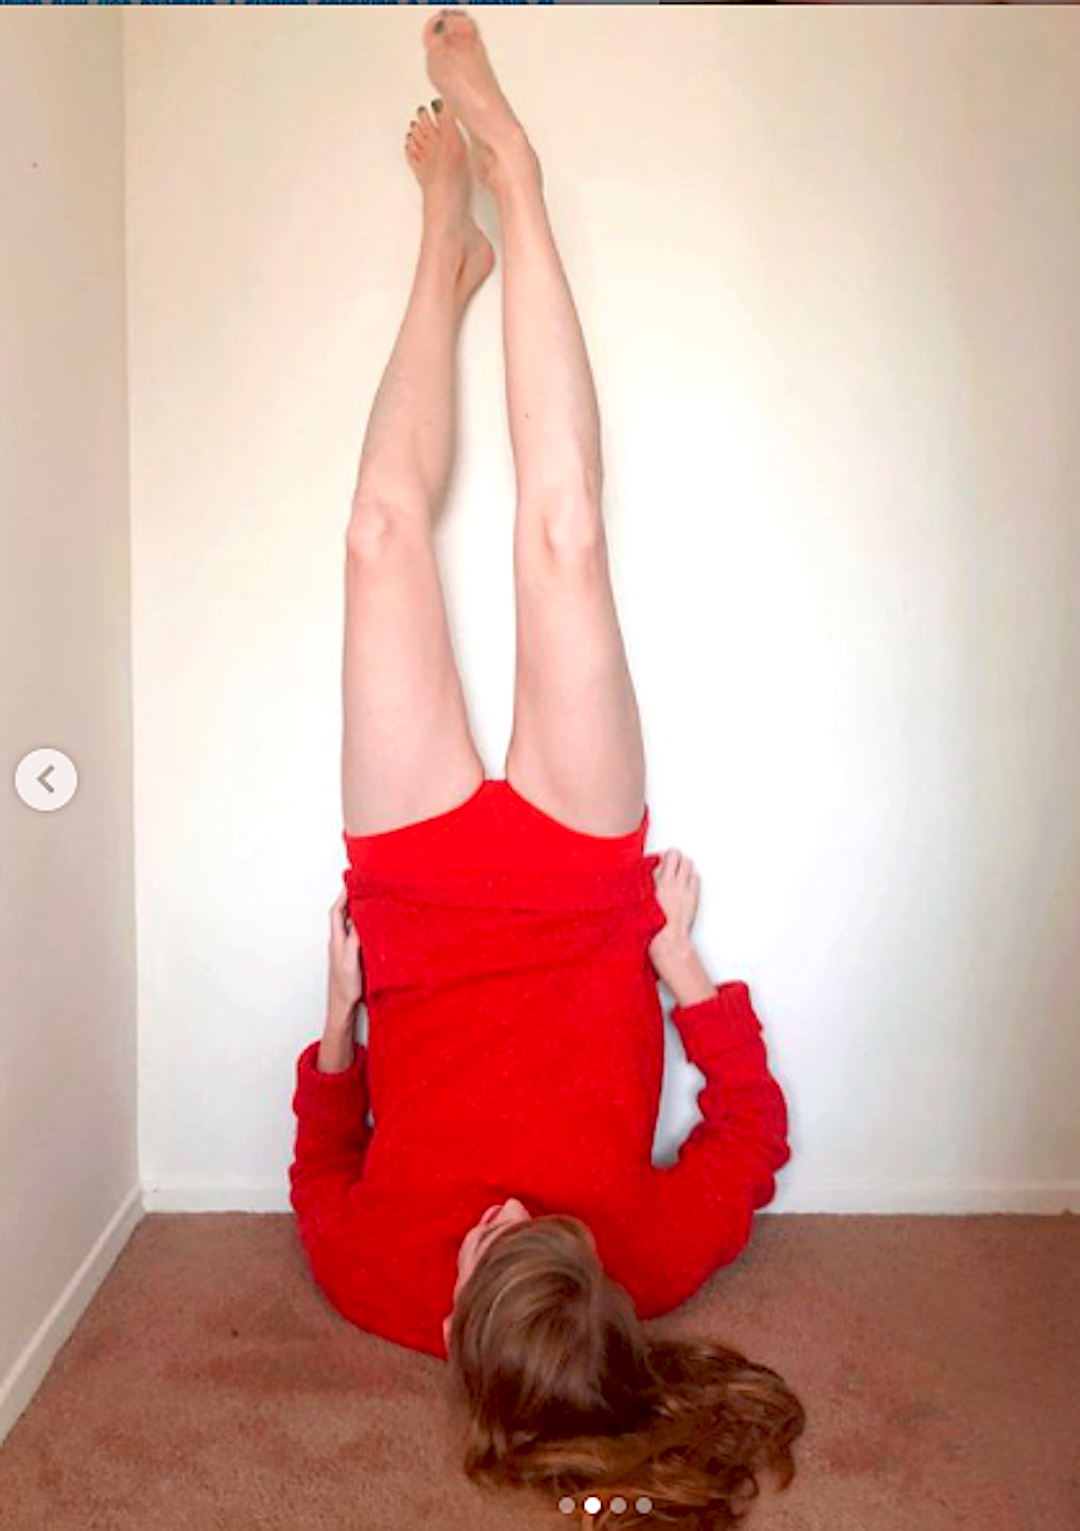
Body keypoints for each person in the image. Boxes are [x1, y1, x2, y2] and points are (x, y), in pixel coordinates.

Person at [289, 11, 805, 1525]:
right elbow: (752, 1133)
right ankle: (514, 173)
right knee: (566, 538)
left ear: (451, 1323)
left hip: (422, 911)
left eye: (483, 1241)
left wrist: (340, 1021)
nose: (508, 1207)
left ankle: (439, 253)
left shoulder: (377, 1284)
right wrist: (683, 963)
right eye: (544, 1230)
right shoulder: (648, 1267)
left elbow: (323, 1166)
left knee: (378, 536)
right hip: (584, 901)